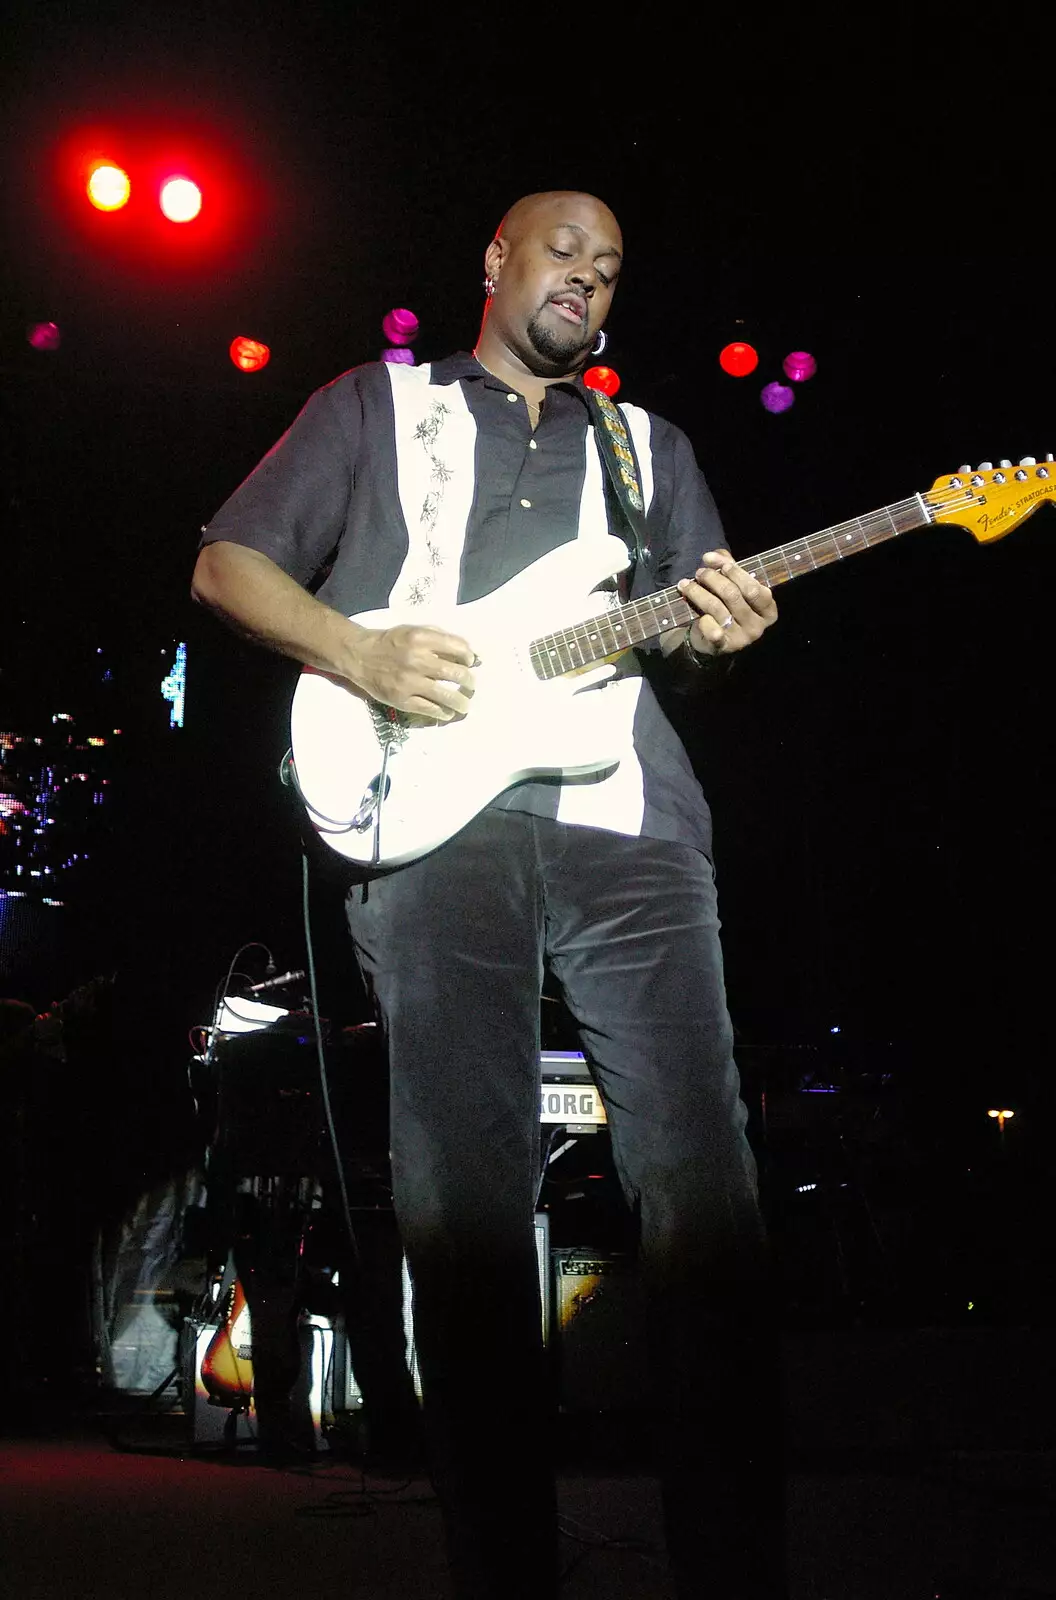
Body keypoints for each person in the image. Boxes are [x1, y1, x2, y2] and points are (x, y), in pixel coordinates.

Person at [192, 190, 783, 1600]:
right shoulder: (376, 409)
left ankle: (736, 1565)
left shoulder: (651, 449)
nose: (589, 277)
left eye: (613, 266)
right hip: (433, 826)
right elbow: (226, 565)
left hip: (627, 824)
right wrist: (358, 654)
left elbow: (687, 651)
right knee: (465, 1204)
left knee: (708, 1196)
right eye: (563, 251)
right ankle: (501, 1567)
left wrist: (728, 636)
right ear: (495, 265)